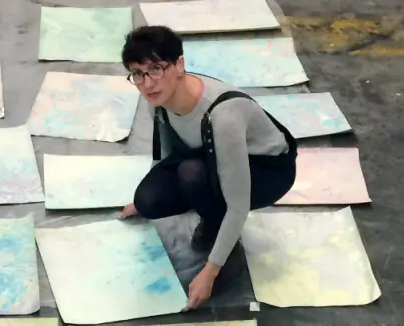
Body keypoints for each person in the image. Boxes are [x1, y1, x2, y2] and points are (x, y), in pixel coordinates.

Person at [118, 25, 298, 310]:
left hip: (265, 169)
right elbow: (164, 153)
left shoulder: (222, 117)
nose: (147, 83)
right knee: (149, 199)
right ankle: (208, 201)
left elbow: (238, 205)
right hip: (209, 154)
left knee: (193, 175)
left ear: (179, 65)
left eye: (155, 69)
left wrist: (209, 272)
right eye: (137, 73)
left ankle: (219, 233)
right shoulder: (159, 97)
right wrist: (142, 200)